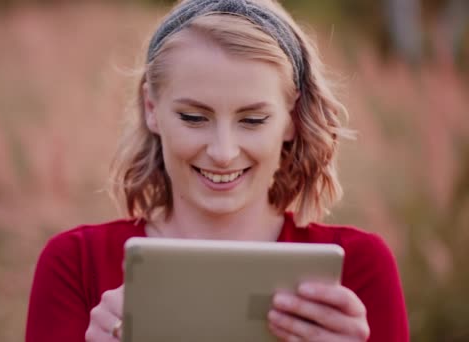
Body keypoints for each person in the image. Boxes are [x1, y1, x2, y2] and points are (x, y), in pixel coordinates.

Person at [25, 0, 409, 341]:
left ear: (291, 118)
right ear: (151, 108)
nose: (223, 152)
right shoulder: (76, 265)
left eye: (253, 120)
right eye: (194, 117)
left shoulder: (357, 270)